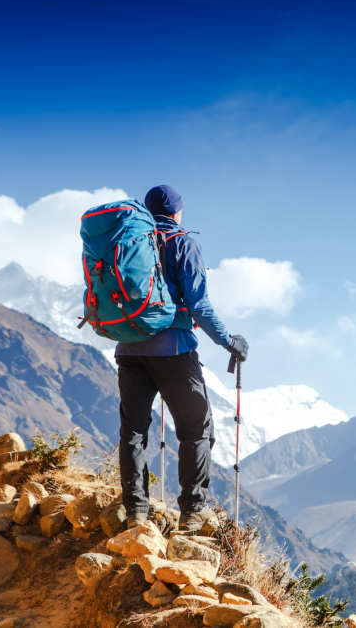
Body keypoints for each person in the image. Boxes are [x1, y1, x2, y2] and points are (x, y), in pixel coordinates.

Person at [114, 184, 248, 530]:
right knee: (196, 429)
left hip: (128, 349)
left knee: (133, 432)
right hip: (172, 349)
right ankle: (192, 511)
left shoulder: (128, 243)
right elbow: (199, 305)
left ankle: (136, 513)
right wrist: (228, 341)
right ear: (177, 212)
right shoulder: (183, 243)